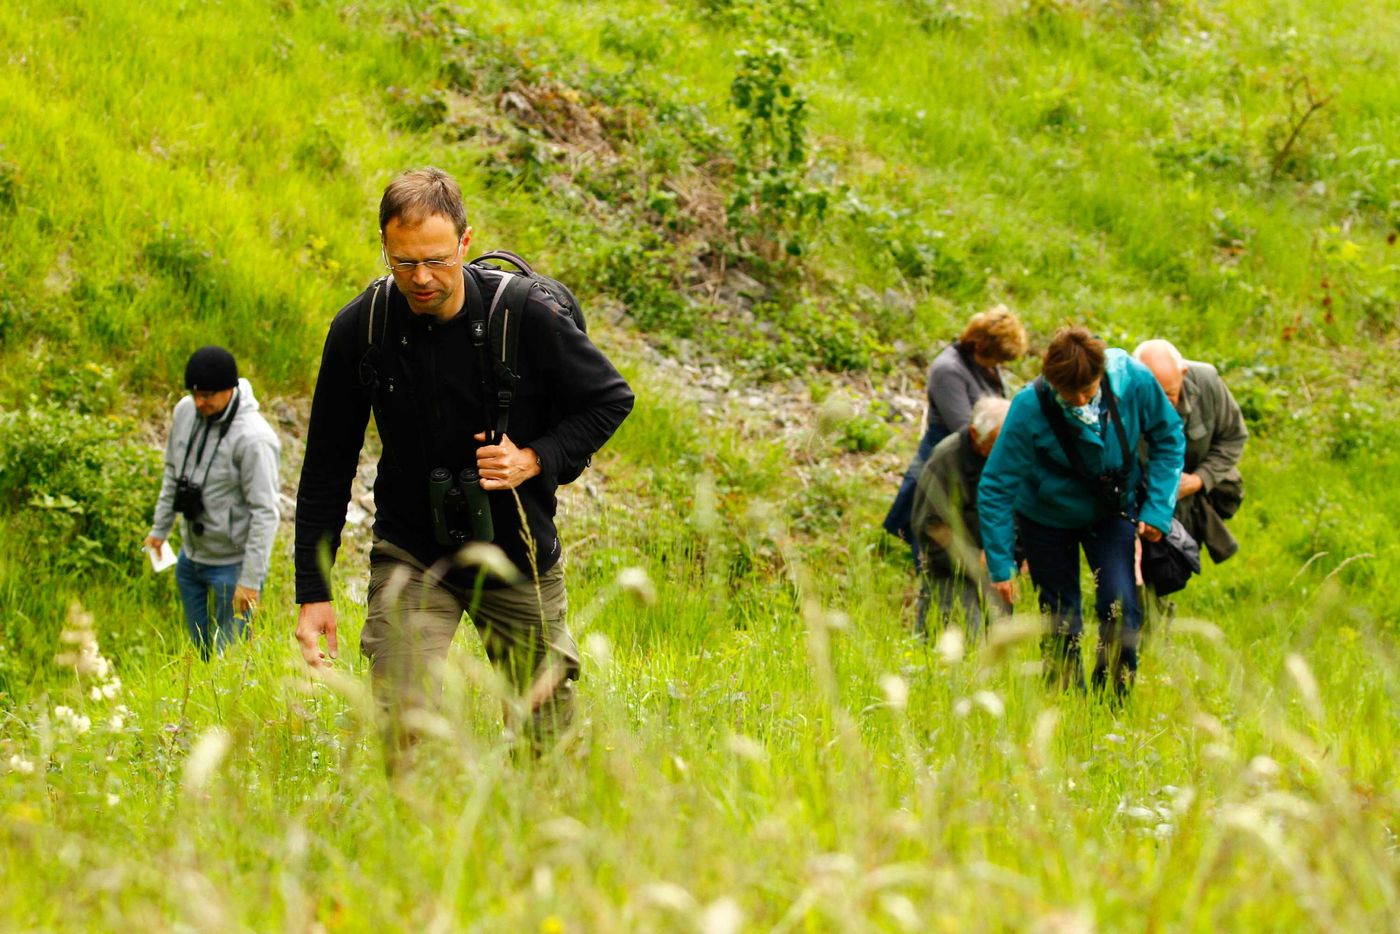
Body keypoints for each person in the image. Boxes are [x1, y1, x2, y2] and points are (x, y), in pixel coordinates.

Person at [293, 167, 634, 756]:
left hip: (514, 544)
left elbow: (609, 399)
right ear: (384, 248)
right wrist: (313, 590)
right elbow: (326, 462)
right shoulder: (361, 328)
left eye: (436, 259)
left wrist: (535, 458)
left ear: (465, 243)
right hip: (412, 548)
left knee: (545, 732)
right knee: (403, 721)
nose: (421, 278)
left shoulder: (524, 315)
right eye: (403, 263)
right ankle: (423, 838)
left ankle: (541, 836)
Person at [978, 327, 1184, 698]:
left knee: (1119, 605)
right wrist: (1000, 562)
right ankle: (1067, 703)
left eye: (1086, 391)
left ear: (1101, 374)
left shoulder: (1134, 380)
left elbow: (1169, 438)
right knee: (1060, 617)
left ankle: (1113, 704)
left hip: (1110, 510)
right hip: (1046, 517)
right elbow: (996, 484)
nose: (1078, 400)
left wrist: (1157, 508)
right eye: (1067, 394)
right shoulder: (1030, 406)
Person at [143, 346, 282, 660]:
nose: (198, 402)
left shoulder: (254, 438)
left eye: (206, 395)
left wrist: (249, 580)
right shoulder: (186, 411)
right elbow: (172, 472)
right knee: (198, 652)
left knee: (229, 661)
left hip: (232, 568)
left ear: (229, 390)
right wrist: (160, 528)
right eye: (194, 394)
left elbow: (265, 513)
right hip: (190, 559)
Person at [884, 305, 1027, 563]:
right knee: (932, 530)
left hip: (976, 458)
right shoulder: (948, 370)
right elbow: (962, 424)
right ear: (981, 346)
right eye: (998, 359)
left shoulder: (986, 367)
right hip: (945, 458)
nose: (999, 365)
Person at [1132, 340, 1247, 563]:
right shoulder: (1121, 398)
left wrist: (1199, 479)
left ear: (1183, 373)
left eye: (1169, 394)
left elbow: (1233, 437)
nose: (1162, 406)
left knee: (1180, 563)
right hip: (1145, 497)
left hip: (1193, 488)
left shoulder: (1208, 382)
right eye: (1152, 396)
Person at [910, 396, 1012, 637]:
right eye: (998, 441)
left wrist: (1014, 556)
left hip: (996, 574)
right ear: (975, 434)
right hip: (949, 572)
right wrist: (974, 558)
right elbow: (930, 529)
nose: (1004, 449)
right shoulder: (946, 458)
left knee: (998, 654)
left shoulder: (1010, 456)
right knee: (963, 646)